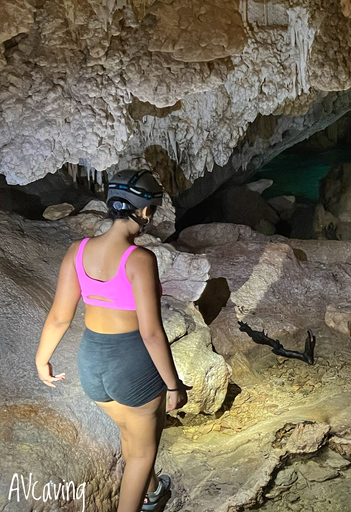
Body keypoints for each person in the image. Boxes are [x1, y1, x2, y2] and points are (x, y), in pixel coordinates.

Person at [35, 170, 189, 512]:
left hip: (92, 364)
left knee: (130, 432)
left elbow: (60, 316)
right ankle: (141, 503)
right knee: (143, 452)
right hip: (131, 365)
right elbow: (151, 333)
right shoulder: (139, 260)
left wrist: (41, 359)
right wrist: (174, 384)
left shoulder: (78, 251)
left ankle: (152, 492)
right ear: (145, 212)